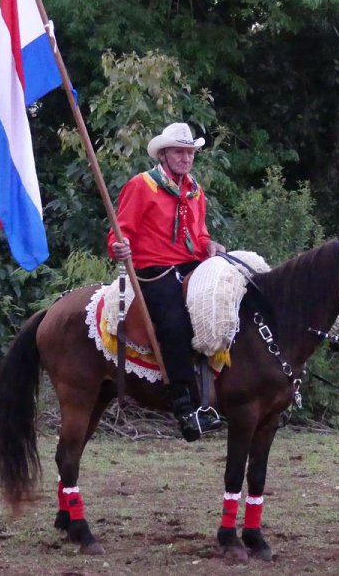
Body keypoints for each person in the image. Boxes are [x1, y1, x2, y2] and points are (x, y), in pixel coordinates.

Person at [107, 122, 226, 442]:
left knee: (225, 304)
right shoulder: (142, 185)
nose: (186, 158)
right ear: (163, 155)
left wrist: (210, 245)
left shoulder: (195, 190)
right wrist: (118, 246)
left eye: (190, 153)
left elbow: (199, 235)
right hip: (153, 269)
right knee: (175, 325)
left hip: (190, 265)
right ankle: (184, 406)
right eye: (179, 152)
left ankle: (228, 391)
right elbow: (120, 231)